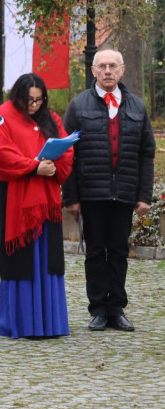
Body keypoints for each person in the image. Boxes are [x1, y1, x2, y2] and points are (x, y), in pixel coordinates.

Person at [63, 48, 156, 332]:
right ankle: (98, 310)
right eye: (101, 66)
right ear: (93, 71)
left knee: (117, 251)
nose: (107, 71)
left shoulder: (137, 106)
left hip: (124, 192)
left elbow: (146, 153)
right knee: (95, 252)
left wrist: (143, 195)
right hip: (92, 193)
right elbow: (66, 153)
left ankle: (116, 308)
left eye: (112, 66)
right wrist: (72, 197)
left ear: (122, 70)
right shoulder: (78, 106)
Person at [0, 73, 73, 339]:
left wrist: (51, 166)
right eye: (29, 100)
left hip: (46, 201)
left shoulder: (52, 118)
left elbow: (67, 149)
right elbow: (1, 153)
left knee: (48, 259)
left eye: (39, 100)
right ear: (18, 96)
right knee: (20, 259)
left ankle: (49, 322)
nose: (34, 105)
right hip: (16, 198)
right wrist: (34, 166)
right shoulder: (2, 115)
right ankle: (21, 322)